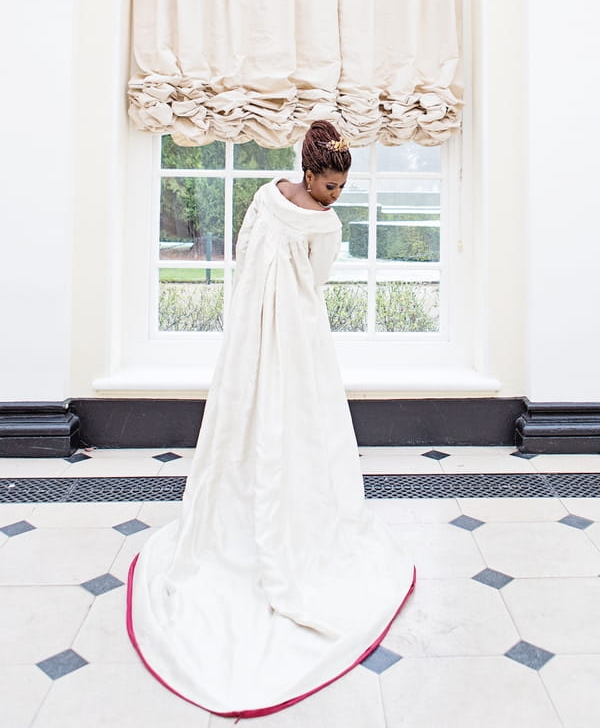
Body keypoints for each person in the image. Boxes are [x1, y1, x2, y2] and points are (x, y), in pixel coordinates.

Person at [126, 120, 415, 719]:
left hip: (262, 330)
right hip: (294, 333)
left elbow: (246, 249)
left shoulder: (268, 198)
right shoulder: (321, 223)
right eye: (330, 184)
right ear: (309, 173)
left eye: (340, 187)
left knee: (274, 420)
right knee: (281, 418)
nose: (336, 196)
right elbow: (314, 279)